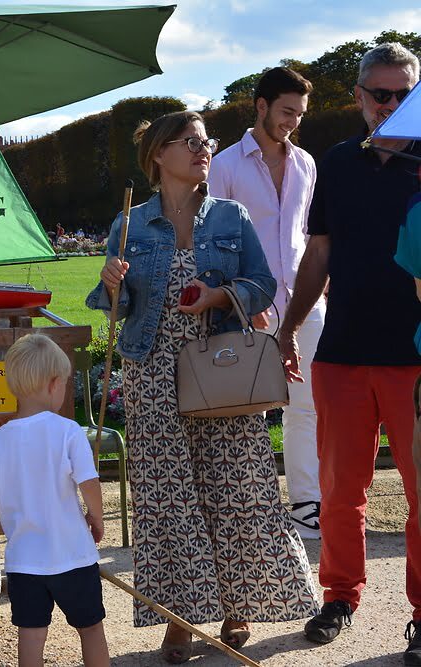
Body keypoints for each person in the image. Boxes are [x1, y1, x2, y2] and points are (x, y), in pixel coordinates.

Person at [87, 110, 318, 663]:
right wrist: (108, 283)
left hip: (220, 365)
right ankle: (179, 619)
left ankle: (237, 605)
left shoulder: (231, 218)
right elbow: (112, 308)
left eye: (205, 141)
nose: (202, 149)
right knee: (168, 502)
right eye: (189, 141)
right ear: (158, 155)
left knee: (237, 490)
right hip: (152, 371)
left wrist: (218, 297)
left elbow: (263, 285)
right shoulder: (130, 225)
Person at [277, 42, 421, 662]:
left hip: (415, 354)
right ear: (359, 97)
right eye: (381, 94)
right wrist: (288, 329)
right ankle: (339, 595)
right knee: (339, 488)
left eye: (405, 94)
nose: (392, 105)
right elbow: (320, 253)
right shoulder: (335, 162)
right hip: (343, 350)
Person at [207, 66, 324, 540]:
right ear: (261, 105)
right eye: (286, 111)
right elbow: (215, 239)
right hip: (247, 302)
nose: (293, 121)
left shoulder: (307, 164)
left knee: (308, 405)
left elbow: (309, 235)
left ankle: (305, 505)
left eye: (299, 113)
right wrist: (243, 297)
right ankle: (250, 508)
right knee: (247, 408)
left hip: (305, 302)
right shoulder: (226, 165)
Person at [0, 333, 109, 667]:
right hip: (72, 556)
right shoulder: (68, 431)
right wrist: (97, 517)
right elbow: (89, 482)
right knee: (91, 629)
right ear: (53, 384)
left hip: (24, 562)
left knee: (31, 636)